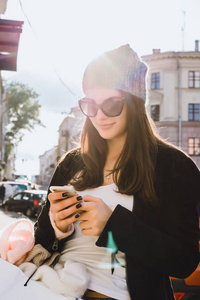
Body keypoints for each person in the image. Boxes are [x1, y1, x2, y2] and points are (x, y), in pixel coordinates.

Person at [34, 44, 200, 300]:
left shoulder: (173, 166)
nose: (99, 115)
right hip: (51, 289)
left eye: (112, 104)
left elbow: (184, 260)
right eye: (90, 104)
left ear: (135, 103)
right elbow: (41, 242)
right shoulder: (70, 163)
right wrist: (57, 226)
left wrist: (114, 225)